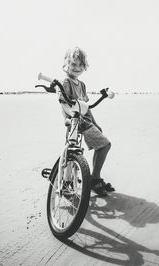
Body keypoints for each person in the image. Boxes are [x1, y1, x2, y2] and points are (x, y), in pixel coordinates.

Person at [59, 47, 114, 197]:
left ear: (84, 66)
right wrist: (72, 115)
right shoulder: (65, 82)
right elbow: (63, 103)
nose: (77, 68)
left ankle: (92, 178)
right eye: (73, 64)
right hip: (74, 122)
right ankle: (90, 180)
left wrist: (95, 123)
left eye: (80, 65)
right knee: (103, 145)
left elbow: (86, 107)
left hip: (85, 121)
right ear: (67, 64)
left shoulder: (82, 85)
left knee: (92, 147)